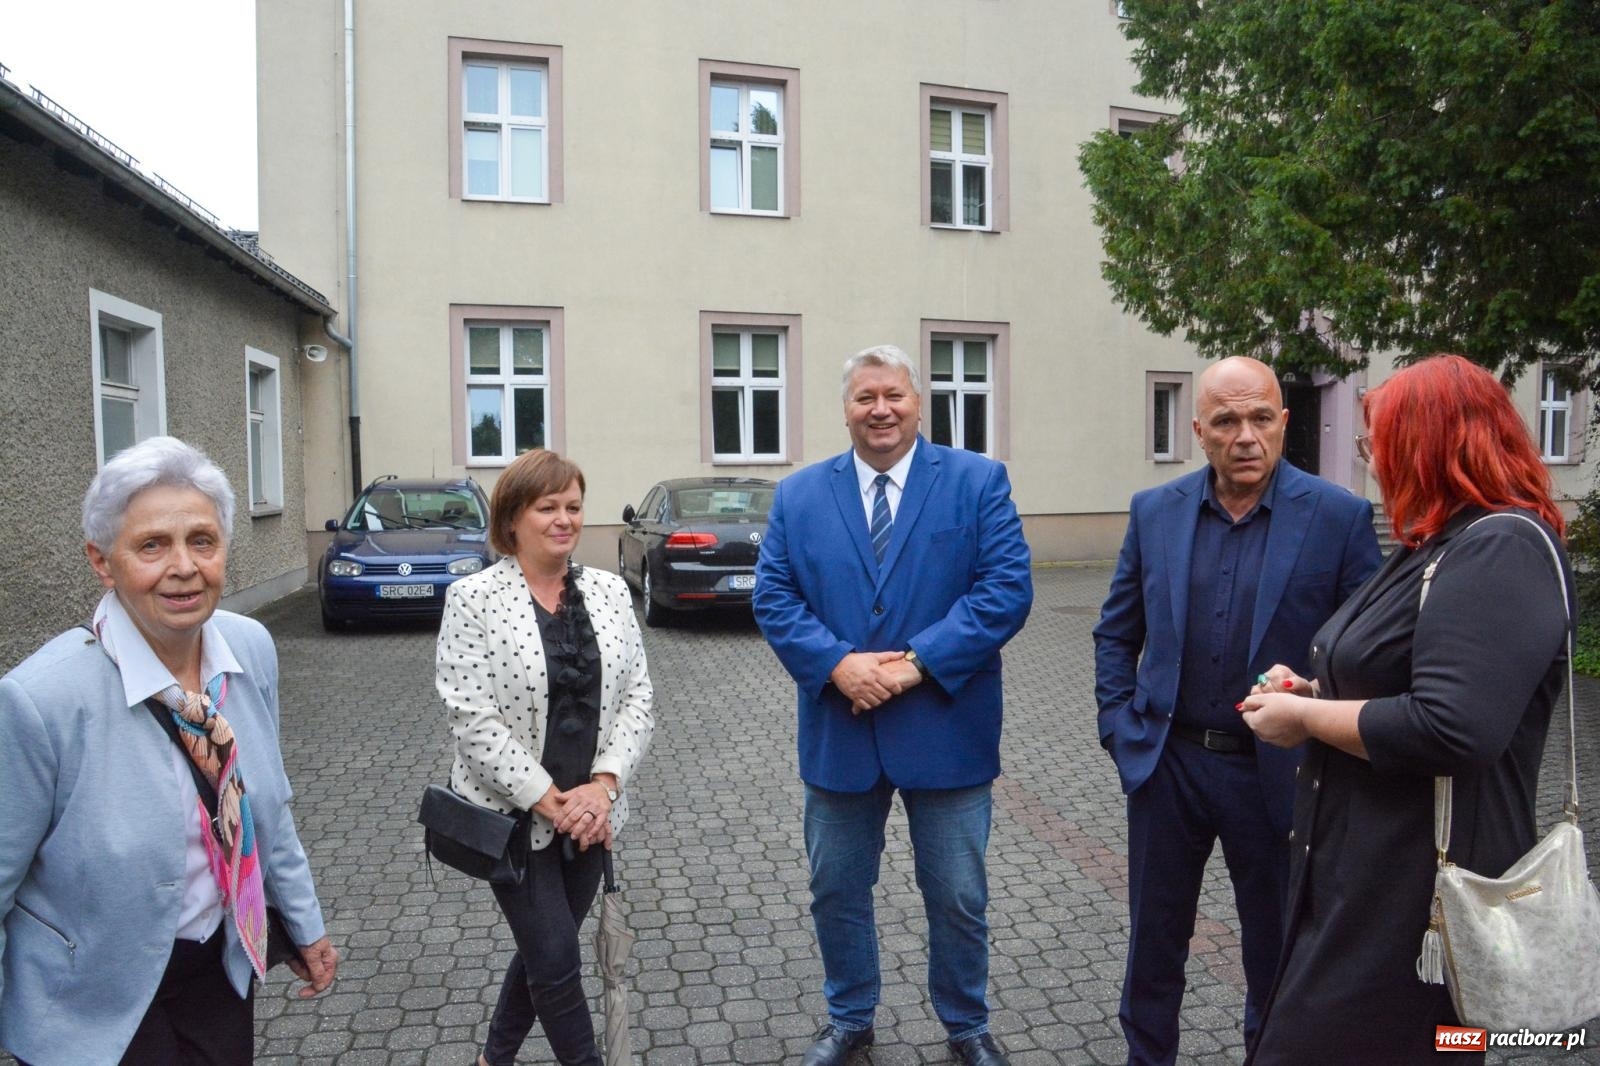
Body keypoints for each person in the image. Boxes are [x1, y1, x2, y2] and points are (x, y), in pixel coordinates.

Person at [1237, 354, 1574, 1063]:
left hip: (1420, 892)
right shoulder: (1434, 545)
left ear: (1431, 444)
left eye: (1380, 443)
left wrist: (1306, 720)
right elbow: (1403, 685)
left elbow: (1451, 727)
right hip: (1365, 873)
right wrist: (1314, 693)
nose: (1374, 462)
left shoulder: (1502, 546)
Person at [0, 436, 337, 1066]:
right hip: (88, 997)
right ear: (103, 561)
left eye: (202, 541)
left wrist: (304, 923)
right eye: (152, 545)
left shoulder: (249, 649)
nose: (183, 566)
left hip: (219, 967)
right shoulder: (40, 701)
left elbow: (263, 804)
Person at [1093, 356, 1381, 1065]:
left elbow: (1368, 653)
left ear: (1283, 423)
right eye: (1225, 421)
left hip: (1280, 772)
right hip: (1169, 765)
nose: (1244, 436)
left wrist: (1316, 708)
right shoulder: (1154, 511)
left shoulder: (1338, 516)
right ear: (1199, 431)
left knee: (1276, 951)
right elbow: (1116, 632)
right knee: (1153, 945)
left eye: (1259, 418)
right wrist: (1119, 727)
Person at [753, 344, 1033, 1066]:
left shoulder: (977, 481)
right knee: (836, 891)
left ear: (918, 402)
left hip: (947, 728)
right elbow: (774, 598)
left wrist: (911, 667)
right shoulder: (799, 496)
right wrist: (837, 665)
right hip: (840, 732)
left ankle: (966, 1025)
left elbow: (1005, 592)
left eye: (894, 395)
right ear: (845, 409)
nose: (881, 410)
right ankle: (850, 1019)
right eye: (865, 397)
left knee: (958, 896)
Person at [435, 448, 654, 1066]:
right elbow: (471, 718)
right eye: (547, 507)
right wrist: (553, 803)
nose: (564, 519)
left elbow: (639, 697)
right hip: (514, 817)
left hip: (592, 817)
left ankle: (493, 1058)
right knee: (556, 960)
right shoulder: (473, 598)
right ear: (512, 519)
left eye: (574, 507)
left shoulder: (610, 592)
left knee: (542, 951)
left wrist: (602, 788)